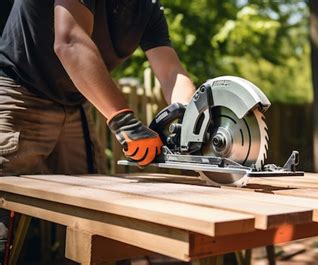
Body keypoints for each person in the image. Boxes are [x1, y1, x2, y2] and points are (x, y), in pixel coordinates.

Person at [0, 0, 195, 260]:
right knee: (4, 221)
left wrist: (192, 118)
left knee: (96, 222)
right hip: (19, 88)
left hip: (73, 102)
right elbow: (70, 41)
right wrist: (124, 121)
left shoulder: (147, 9)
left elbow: (171, 71)